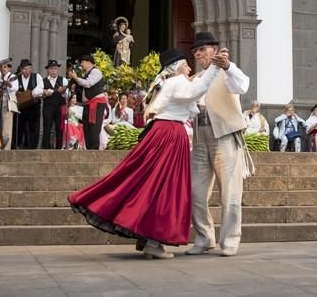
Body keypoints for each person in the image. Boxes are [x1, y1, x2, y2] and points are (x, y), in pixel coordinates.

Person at [69, 49, 220, 259]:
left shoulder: (173, 82)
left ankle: (150, 239)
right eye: (185, 65)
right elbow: (195, 91)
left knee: (155, 184)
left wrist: (210, 71)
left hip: (165, 133)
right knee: (165, 186)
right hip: (169, 134)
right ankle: (152, 240)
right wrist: (215, 67)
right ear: (177, 67)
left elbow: (195, 91)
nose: (189, 68)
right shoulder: (178, 82)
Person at [186, 31, 252, 258]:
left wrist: (227, 66)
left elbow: (243, 85)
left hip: (224, 134)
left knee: (230, 192)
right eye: (195, 51)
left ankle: (231, 240)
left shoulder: (228, 72)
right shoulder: (196, 79)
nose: (198, 55)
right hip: (200, 136)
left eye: (202, 50)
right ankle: (204, 238)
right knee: (196, 192)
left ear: (214, 49)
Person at [68, 54, 108, 150]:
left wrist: (76, 78)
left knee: (93, 128)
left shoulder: (96, 71)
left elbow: (88, 84)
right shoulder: (86, 74)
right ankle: (89, 149)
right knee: (87, 128)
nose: (81, 64)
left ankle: (94, 150)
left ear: (89, 63)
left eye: (83, 62)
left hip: (96, 103)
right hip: (87, 104)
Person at [15, 59, 43, 149]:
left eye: (27, 69)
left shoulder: (37, 76)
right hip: (21, 107)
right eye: (23, 69)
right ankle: (18, 145)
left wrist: (30, 94)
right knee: (19, 126)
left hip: (34, 106)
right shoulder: (16, 78)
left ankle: (33, 147)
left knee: (34, 127)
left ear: (31, 68)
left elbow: (40, 88)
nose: (25, 71)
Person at [41, 60, 69, 149]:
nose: (54, 71)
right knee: (47, 128)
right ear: (48, 70)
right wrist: (44, 92)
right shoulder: (43, 81)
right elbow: (38, 93)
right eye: (52, 68)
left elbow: (68, 95)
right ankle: (46, 149)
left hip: (60, 107)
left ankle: (59, 148)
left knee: (59, 128)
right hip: (48, 107)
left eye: (55, 68)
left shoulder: (63, 80)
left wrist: (63, 92)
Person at [0, 63, 18, 150]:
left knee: (6, 129)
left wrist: (9, 84)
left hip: (8, 102)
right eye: (2, 67)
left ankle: (6, 148)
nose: (4, 69)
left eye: (6, 67)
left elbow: (15, 88)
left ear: (9, 68)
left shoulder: (13, 77)